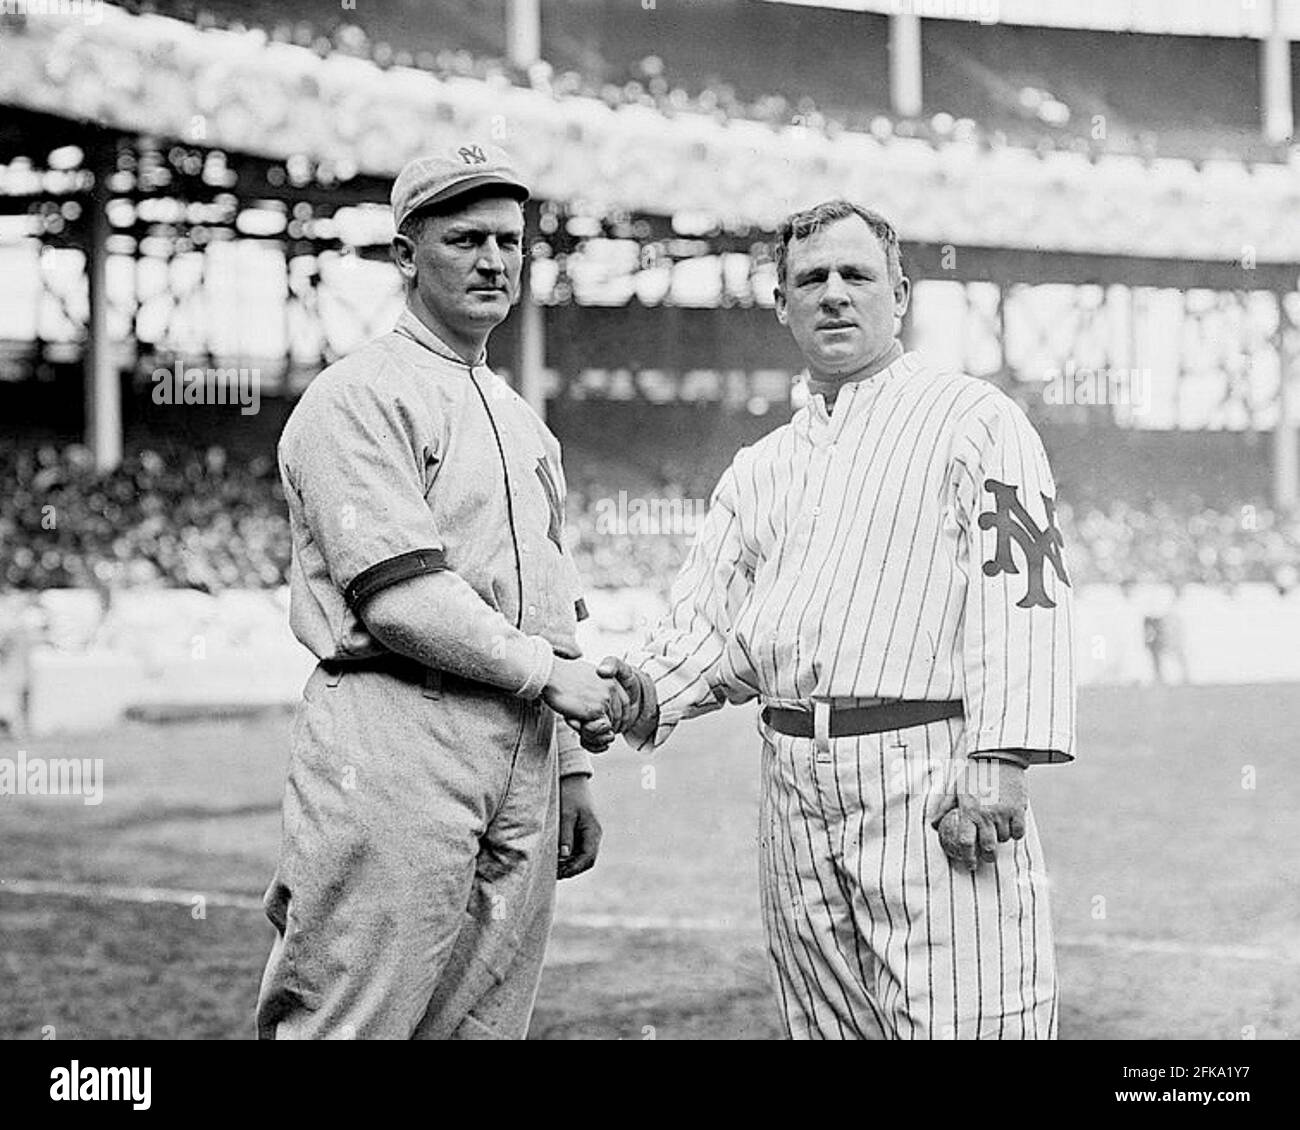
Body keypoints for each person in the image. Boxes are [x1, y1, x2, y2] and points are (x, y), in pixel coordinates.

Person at [584, 200, 1076, 1039]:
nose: (835, 294)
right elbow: (710, 635)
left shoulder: (974, 419)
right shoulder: (759, 468)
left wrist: (1003, 755)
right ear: (781, 305)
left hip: (922, 772)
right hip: (791, 783)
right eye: (811, 279)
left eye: (857, 275)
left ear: (901, 295)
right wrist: (632, 692)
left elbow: (1024, 591)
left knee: (970, 1021)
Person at [256, 142, 624, 1040]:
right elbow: (401, 598)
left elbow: (548, 598)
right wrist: (549, 677)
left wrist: (570, 768)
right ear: (405, 256)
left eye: (509, 240)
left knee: (485, 1028)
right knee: (351, 1018)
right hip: (395, 735)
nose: (494, 260)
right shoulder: (355, 396)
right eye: (465, 239)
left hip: (523, 753)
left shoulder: (523, 421)